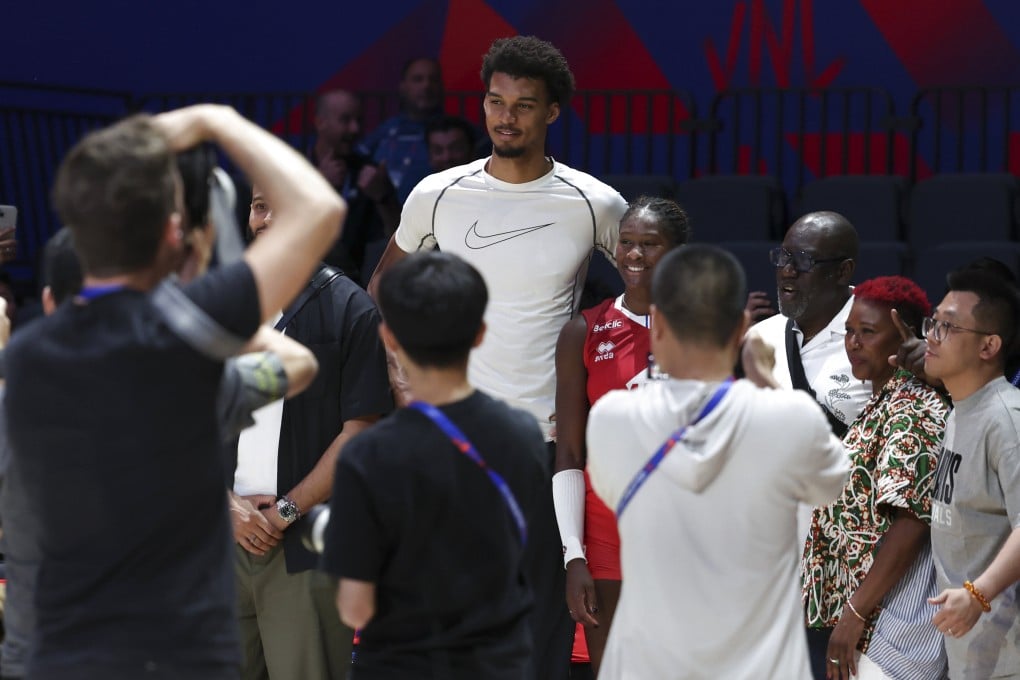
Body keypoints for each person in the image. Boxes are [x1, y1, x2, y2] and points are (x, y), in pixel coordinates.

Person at [3, 106, 344, 679]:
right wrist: (217, 121)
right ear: (173, 232)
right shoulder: (186, 352)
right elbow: (317, 213)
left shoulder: (23, 362)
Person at [367, 35, 629, 679]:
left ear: (552, 113)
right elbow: (381, 295)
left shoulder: (595, 202)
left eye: (523, 104)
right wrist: (404, 387)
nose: (505, 116)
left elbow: (654, 298)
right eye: (495, 101)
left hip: (546, 443)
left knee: (538, 623)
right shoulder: (437, 193)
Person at [587, 244, 849, 679]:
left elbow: (614, 493)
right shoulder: (791, 419)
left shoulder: (611, 420)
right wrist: (764, 382)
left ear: (658, 327)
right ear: (742, 328)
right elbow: (835, 485)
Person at [321, 251, 548, 679]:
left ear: (388, 337)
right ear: (480, 334)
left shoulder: (366, 457)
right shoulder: (523, 435)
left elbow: (355, 607)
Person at [229, 182, 393, 680]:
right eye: (260, 207)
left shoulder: (350, 310)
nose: (267, 221)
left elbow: (360, 431)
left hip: (305, 548)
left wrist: (283, 512)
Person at [552, 196, 690, 675]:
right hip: (606, 534)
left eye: (649, 244)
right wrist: (574, 556)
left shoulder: (712, 331)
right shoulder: (584, 332)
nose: (634, 254)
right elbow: (569, 452)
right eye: (627, 243)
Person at [745, 211, 874, 677]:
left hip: (854, 569)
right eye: (782, 257)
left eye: (802, 260)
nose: (785, 271)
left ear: (843, 271)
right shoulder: (760, 338)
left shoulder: (877, 336)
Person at [801, 276, 949, 680]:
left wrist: (854, 614)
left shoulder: (913, 406)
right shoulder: (884, 400)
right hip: (874, 616)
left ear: (906, 336)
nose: (853, 342)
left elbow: (912, 520)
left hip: (896, 620)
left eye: (868, 332)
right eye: (849, 331)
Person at [922, 268, 1020, 678]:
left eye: (947, 326)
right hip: (973, 653)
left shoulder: (1007, 419)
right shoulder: (960, 410)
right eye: (933, 322)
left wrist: (978, 595)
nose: (930, 335)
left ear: (988, 346)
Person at [313, 89, 401, 284]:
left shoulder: (371, 174)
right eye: (345, 120)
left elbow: (400, 235)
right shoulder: (296, 168)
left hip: (357, 286)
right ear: (320, 123)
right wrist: (316, 185)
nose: (354, 129)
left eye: (358, 120)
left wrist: (383, 198)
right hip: (301, 283)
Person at [360, 57, 444, 203]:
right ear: (403, 86)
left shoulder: (459, 134)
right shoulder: (384, 132)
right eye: (418, 79)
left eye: (433, 79)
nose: (426, 86)